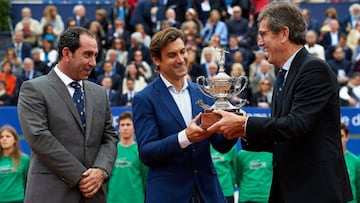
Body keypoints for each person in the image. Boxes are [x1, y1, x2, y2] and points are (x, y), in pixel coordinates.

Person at [208, 3, 353, 202]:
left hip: (315, 191)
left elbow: (297, 125)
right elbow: (281, 136)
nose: (259, 42)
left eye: (264, 34)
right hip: (291, 189)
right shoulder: (284, 75)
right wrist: (241, 127)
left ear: (284, 34)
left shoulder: (314, 70)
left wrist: (246, 124)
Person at [132, 27, 237, 203]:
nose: (181, 59)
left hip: (208, 193)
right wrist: (184, 137)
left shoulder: (203, 93)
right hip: (169, 195)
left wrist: (234, 123)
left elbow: (221, 145)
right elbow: (147, 152)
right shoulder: (145, 99)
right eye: (172, 55)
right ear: (156, 60)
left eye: (183, 52)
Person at [17, 26, 119, 203]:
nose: (93, 63)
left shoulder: (99, 93)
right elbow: (39, 137)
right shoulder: (34, 89)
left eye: (95, 55)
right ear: (67, 53)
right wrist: (82, 177)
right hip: (50, 195)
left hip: (94, 196)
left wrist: (101, 171)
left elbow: (109, 137)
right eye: (87, 55)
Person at [107, 112, 147, 203]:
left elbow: (145, 178)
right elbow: (106, 179)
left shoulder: (140, 151)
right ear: (119, 128)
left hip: (135, 200)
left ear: (134, 127)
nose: (125, 128)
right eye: (122, 125)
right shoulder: (111, 150)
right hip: (113, 199)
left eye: (128, 124)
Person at [0, 125, 30, 203]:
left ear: (15, 140)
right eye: (1, 137)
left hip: (19, 200)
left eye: (8, 136)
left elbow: (28, 182)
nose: (4, 139)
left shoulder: (24, 159)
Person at [340, 123, 360, 203]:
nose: (338, 139)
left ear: (347, 137)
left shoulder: (356, 161)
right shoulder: (328, 162)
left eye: (341, 136)